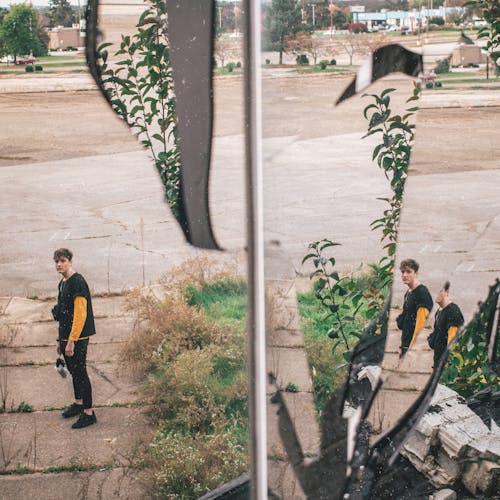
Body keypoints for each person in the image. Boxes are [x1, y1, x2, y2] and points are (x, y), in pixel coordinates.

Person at [52, 248, 97, 429]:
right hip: (66, 335)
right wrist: (59, 340)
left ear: (70, 261)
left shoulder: (77, 282)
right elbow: (63, 314)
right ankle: (78, 403)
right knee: (72, 371)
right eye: (56, 261)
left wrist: (71, 341)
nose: (59, 264)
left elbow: (80, 315)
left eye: (62, 260)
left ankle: (89, 413)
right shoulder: (63, 282)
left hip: (77, 337)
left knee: (80, 373)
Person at [396, 259, 433, 357]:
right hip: (406, 345)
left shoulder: (421, 294)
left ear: (416, 273)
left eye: (408, 272)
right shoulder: (409, 292)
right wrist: (402, 347)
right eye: (402, 272)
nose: (404, 275)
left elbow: (420, 326)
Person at [428, 281, 464, 369]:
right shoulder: (440, 310)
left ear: (446, 292)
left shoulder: (452, 312)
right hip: (438, 362)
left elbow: (452, 343)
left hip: (445, 366)